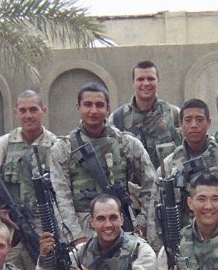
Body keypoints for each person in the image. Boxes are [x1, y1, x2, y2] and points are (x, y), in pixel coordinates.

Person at [49, 82, 157, 243]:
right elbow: (61, 197)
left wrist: (142, 223)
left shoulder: (126, 143)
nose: (93, 111)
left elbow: (152, 184)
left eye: (99, 105)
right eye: (87, 105)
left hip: (122, 226)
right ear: (78, 107)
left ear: (108, 108)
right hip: (82, 227)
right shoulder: (64, 148)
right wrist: (77, 237)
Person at [0, 90, 58, 270]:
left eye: (33, 109)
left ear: (43, 111)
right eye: (23, 110)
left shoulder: (55, 146)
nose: (28, 115)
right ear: (16, 112)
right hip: (10, 232)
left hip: (43, 230)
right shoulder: (4, 144)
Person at [159, 98, 218, 227]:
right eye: (188, 120)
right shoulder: (169, 164)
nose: (194, 125)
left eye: (199, 119)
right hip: (182, 239)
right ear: (180, 124)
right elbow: (156, 210)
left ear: (209, 122)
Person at [108, 60, 182, 170]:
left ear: (158, 81)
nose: (146, 83)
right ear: (133, 82)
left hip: (168, 183)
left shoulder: (174, 114)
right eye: (140, 79)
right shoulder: (117, 119)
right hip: (134, 186)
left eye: (151, 79)